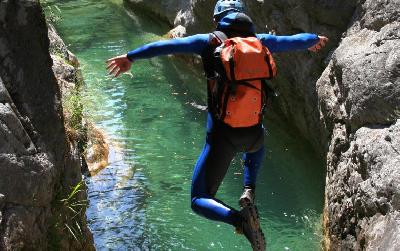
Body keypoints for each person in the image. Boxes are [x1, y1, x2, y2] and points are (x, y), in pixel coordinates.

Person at [106, 0, 328, 250]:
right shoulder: (261, 42)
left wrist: (130, 57)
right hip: (255, 136)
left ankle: (239, 219)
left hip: (223, 137)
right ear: (243, 17)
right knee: (257, 138)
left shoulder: (208, 42)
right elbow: (294, 40)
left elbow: (164, 46)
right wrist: (314, 38)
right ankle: (249, 188)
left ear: (217, 20)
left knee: (199, 199)